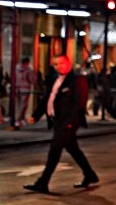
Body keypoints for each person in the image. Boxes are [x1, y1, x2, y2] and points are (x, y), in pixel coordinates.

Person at [24, 54, 99, 193]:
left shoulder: (77, 80)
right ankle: (90, 174)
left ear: (69, 63)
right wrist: (35, 115)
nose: (59, 66)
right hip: (57, 121)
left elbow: (79, 105)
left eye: (61, 63)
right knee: (73, 149)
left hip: (67, 122)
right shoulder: (55, 79)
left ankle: (43, 182)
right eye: (56, 64)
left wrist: (70, 123)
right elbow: (47, 98)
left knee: (55, 150)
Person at [11, 57, 38, 129]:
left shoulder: (15, 69)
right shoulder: (28, 70)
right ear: (27, 62)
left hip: (17, 88)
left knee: (19, 104)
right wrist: (35, 84)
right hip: (25, 88)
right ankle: (19, 119)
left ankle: (20, 119)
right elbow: (32, 80)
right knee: (24, 105)